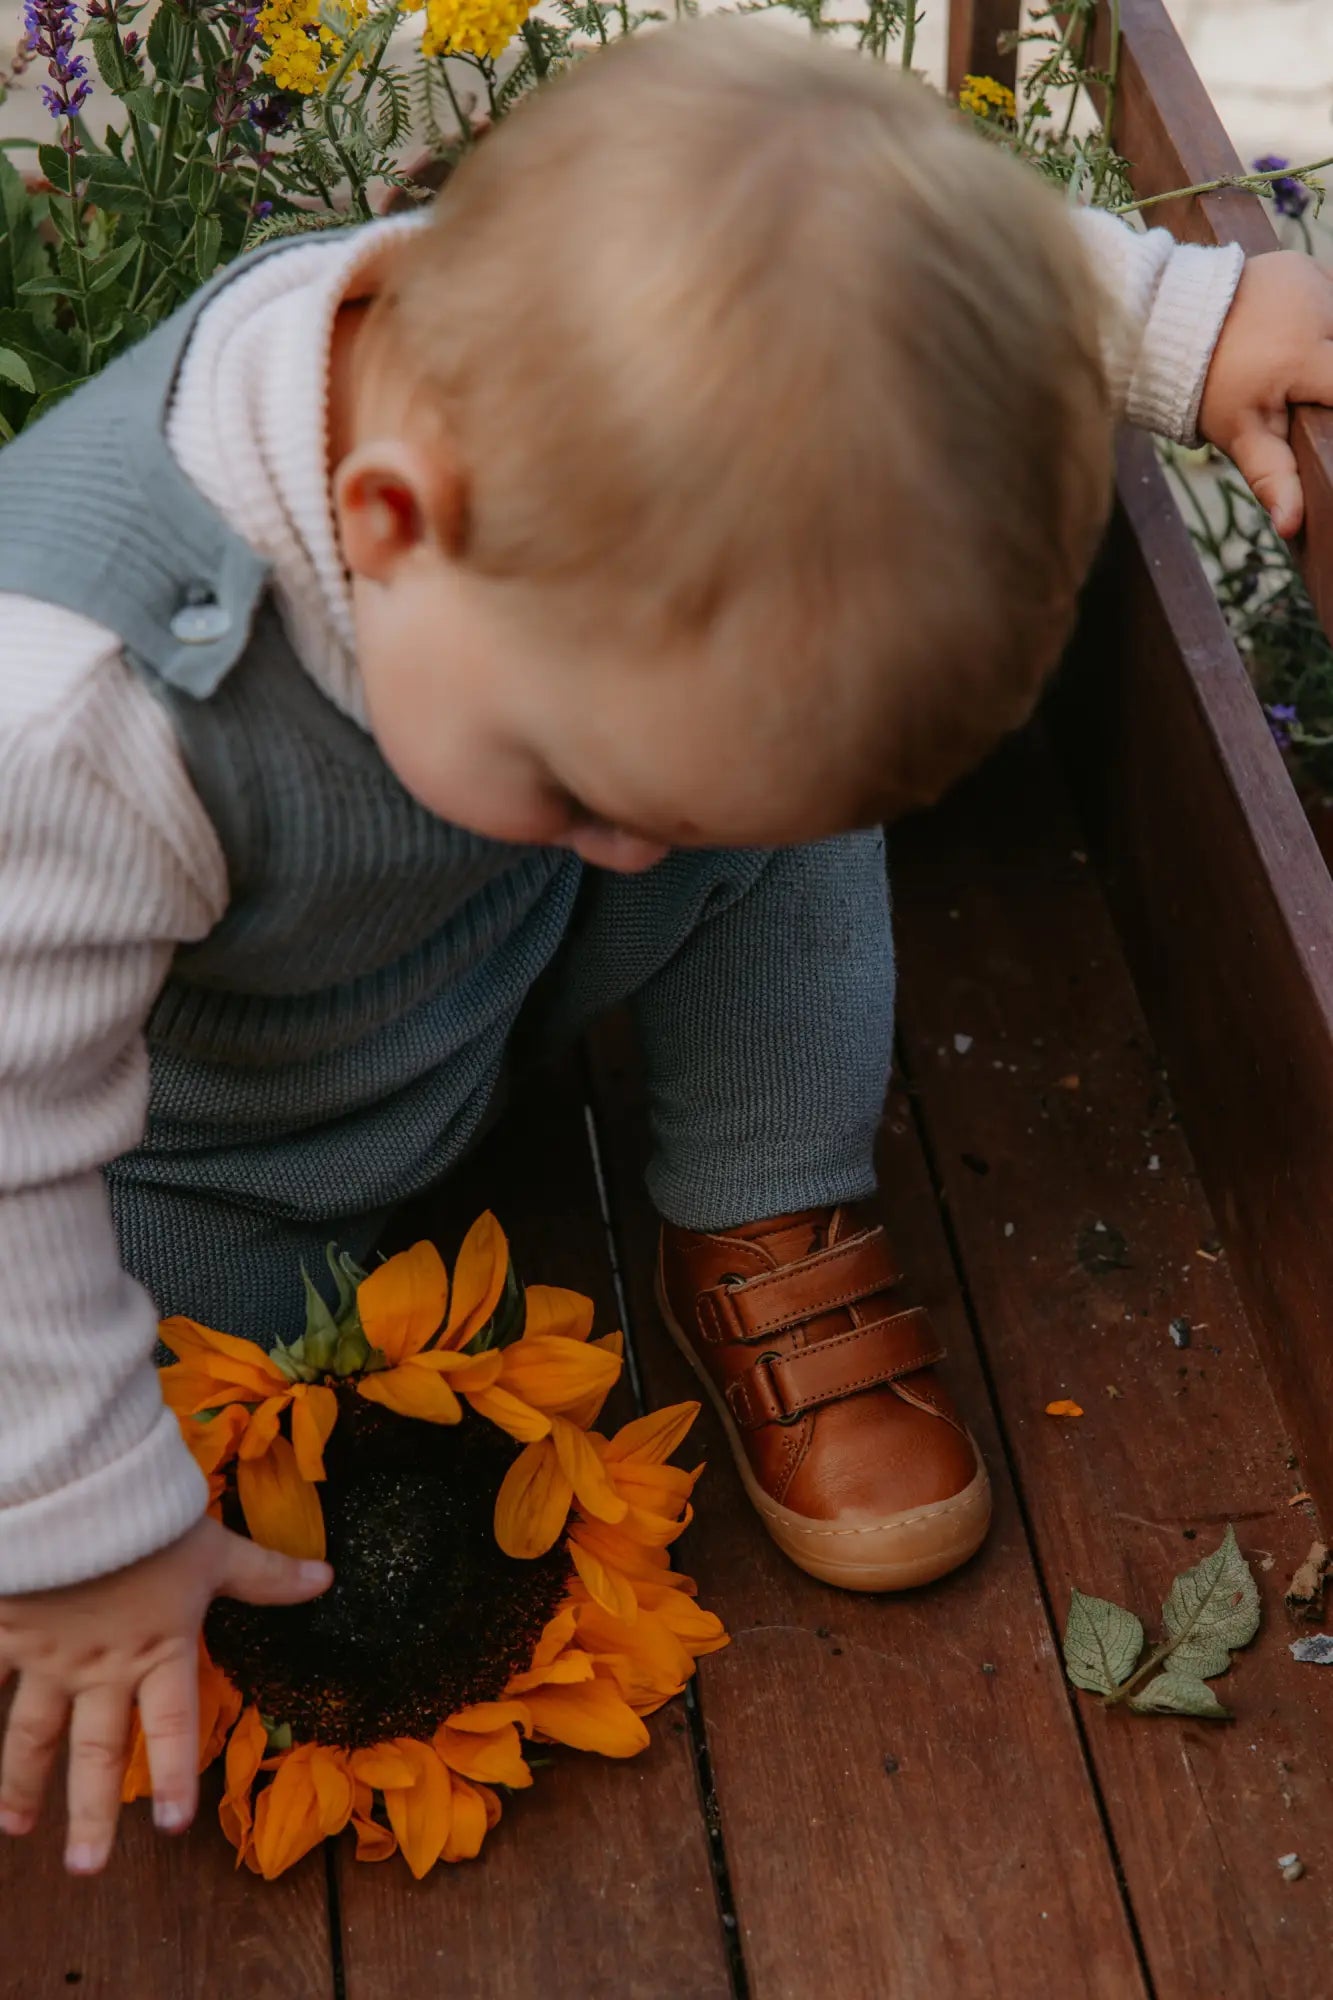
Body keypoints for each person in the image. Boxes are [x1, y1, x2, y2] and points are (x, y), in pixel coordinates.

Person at [1, 17, 1330, 1879]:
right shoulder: (82, 717)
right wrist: (76, 1518)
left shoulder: (560, 406)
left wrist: (1185, 328)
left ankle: (767, 1190)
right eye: (586, 782)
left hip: (480, 948)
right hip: (214, 1146)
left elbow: (864, 249)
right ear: (390, 528)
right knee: (155, 1440)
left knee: (763, 834)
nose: (637, 842)